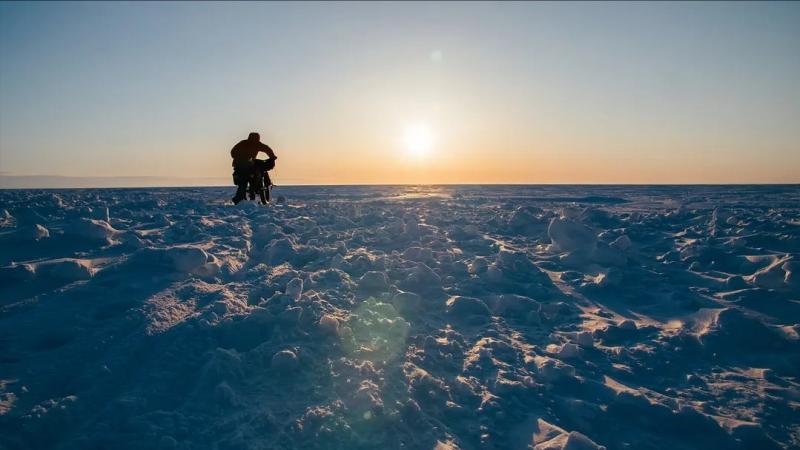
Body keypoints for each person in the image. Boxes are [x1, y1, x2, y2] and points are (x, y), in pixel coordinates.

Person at [230, 132, 277, 204]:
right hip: (244, 165)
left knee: (243, 183)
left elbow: (233, 152)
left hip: (240, 165)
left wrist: (238, 157)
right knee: (249, 178)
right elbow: (267, 149)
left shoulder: (244, 143)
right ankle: (249, 195)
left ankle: (240, 198)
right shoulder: (257, 144)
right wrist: (272, 157)